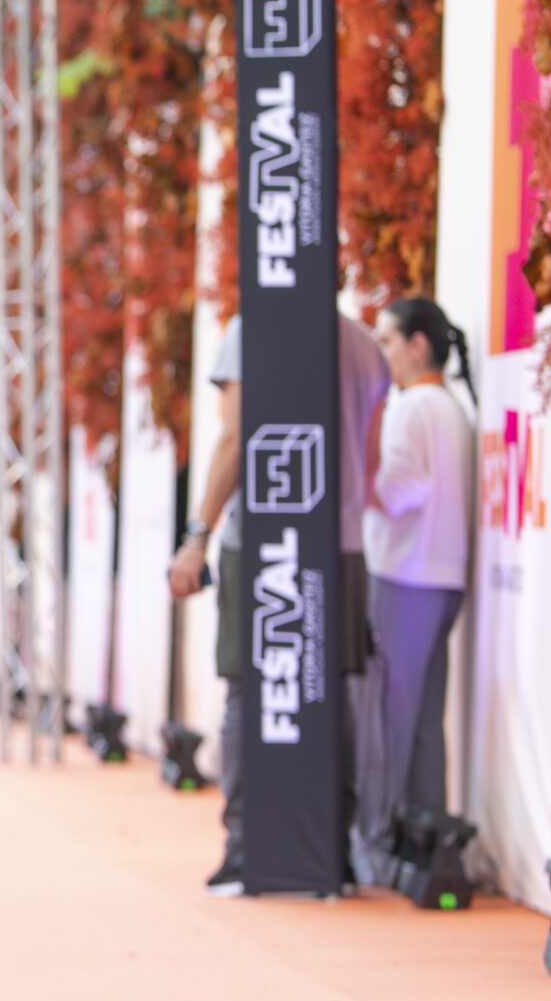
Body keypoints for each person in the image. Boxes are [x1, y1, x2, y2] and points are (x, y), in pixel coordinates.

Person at [166, 309, 390, 895]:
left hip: (262, 540)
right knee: (332, 689)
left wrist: (197, 536)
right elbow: (371, 460)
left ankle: (245, 847)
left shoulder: (254, 327)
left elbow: (235, 438)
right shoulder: (366, 346)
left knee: (248, 687)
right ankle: (333, 850)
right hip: (341, 542)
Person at [364, 297, 476, 852]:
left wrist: (361, 477)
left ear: (418, 345)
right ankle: (423, 840)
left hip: (405, 576)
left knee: (390, 718)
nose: (380, 353)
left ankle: (378, 840)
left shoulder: (412, 408)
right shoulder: (452, 408)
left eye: (387, 341)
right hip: (442, 577)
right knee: (424, 719)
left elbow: (401, 490)